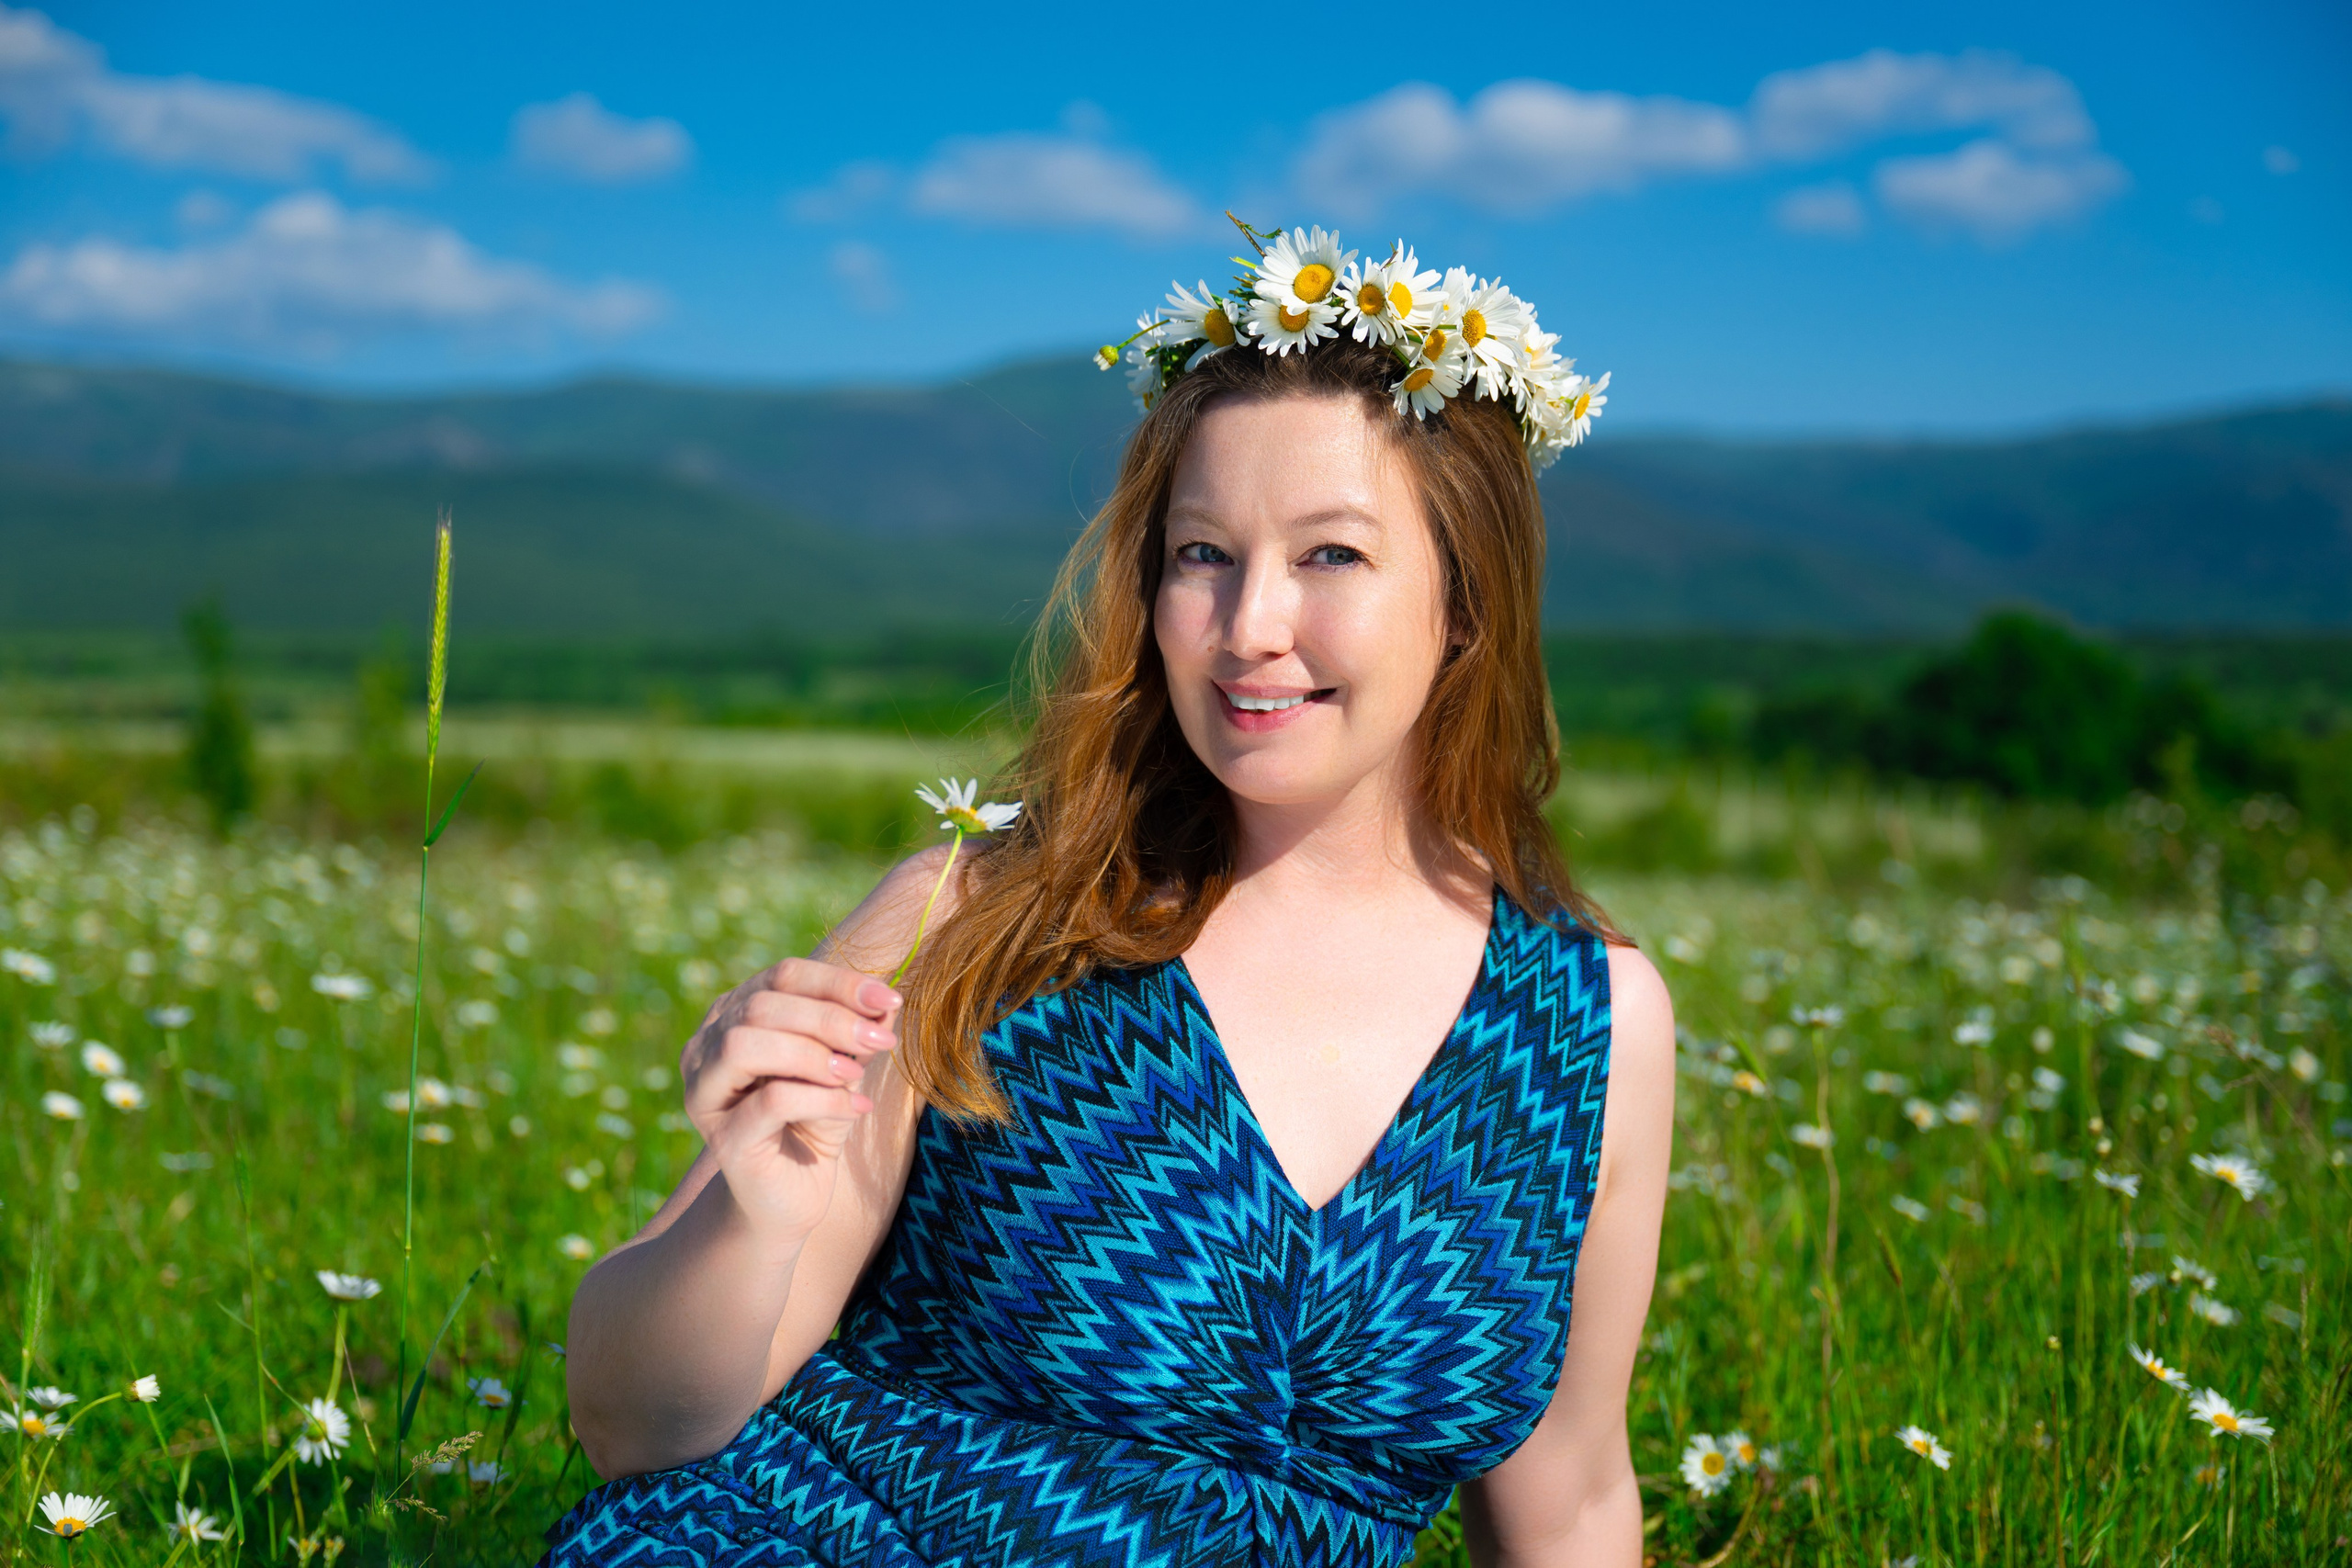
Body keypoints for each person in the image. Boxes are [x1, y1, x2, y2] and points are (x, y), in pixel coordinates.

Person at [548, 226, 1672, 1567]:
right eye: (1203, 554)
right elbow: (625, 1422)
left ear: (1468, 605)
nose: (1250, 624)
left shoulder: (1587, 1024)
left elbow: (1575, 1502)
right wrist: (755, 1216)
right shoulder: (979, 916)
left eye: (1330, 557)